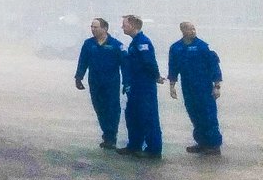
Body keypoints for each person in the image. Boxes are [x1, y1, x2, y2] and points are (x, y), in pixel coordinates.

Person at [167, 21, 223, 155]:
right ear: (182, 30)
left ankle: (214, 145)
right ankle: (202, 142)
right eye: (190, 29)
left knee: (208, 115)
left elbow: (214, 66)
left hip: (204, 87)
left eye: (194, 29)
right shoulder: (176, 48)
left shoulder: (203, 47)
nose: (193, 31)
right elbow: (173, 68)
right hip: (188, 87)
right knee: (194, 114)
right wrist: (172, 86)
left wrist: (217, 86)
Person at [74, 17, 125, 149]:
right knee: (99, 108)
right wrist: (78, 77)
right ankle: (106, 133)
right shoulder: (88, 44)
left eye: (95, 27)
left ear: (105, 28)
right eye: (91, 27)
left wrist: (127, 82)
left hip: (111, 83)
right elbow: (83, 61)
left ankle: (111, 136)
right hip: (95, 82)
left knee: (112, 109)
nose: (93, 29)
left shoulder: (116, 45)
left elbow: (125, 65)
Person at [117, 14, 162, 158]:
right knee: (133, 115)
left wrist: (156, 76)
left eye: (124, 24)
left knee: (148, 117)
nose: (122, 27)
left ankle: (153, 150)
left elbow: (149, 62)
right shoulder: (134, 42)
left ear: (133, 26)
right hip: (135, 85)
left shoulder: (143, 42)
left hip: (144, 86)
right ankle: (134, 146)